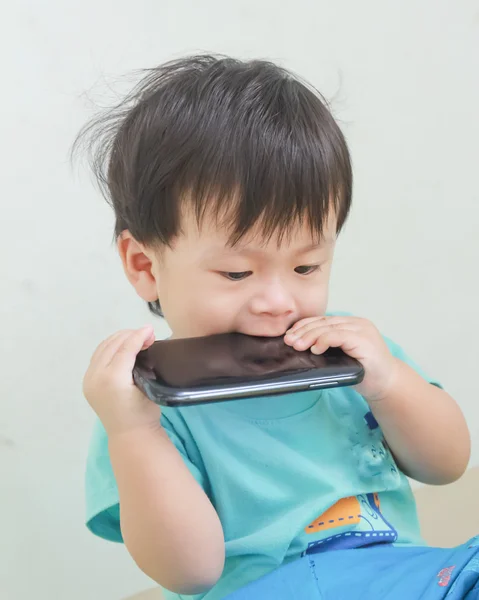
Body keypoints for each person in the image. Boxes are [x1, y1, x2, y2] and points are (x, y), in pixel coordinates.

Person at [77, 55, 475, 599]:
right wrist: (134, 433)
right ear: (145, 266)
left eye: (307, 266)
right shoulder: (146, 410)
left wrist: (388, 383)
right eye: (237, 272)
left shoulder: (352, 357)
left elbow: (448, 465)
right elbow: (189, 571)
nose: (278, 300)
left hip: (400, 577)